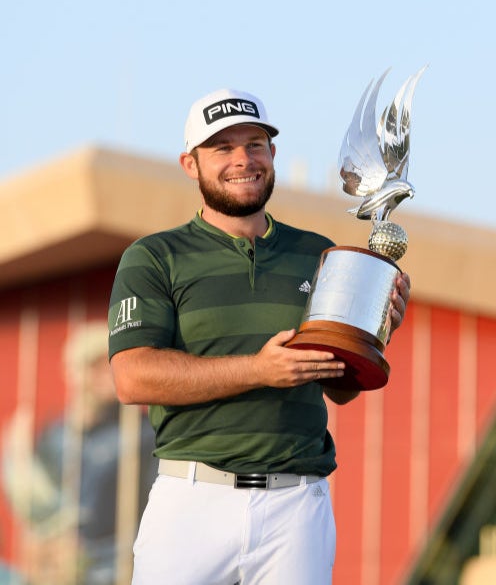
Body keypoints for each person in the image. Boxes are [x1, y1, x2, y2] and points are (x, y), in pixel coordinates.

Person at [107, 88, 410, 585]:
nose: (242, 159)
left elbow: (341, 388)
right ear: (190, 163)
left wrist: (373, 330)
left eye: (255, 144)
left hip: (296, 507)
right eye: (222, 148)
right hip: (191, 499)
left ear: (272, 155)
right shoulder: (154, 256)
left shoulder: (318, 254)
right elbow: (132, 378)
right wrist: (259, 369)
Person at [2, 322, 157, 585]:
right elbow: (39, 516)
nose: (108, 373)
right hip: (60, 569)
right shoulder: (56, 434)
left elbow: (153, 515)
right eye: (96, 365)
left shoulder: (142, 434)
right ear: (75, 372)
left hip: (114, 568)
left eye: (113, 364)